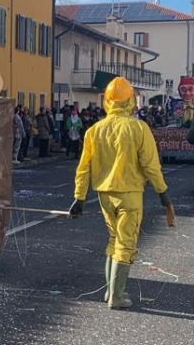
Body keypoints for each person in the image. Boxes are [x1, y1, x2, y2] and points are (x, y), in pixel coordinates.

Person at [69, 77, 171, 310]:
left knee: (114, 240)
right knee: (126, 244)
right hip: (130, 193)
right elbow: (150, 165)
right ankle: (117, 296)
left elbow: (83, 168)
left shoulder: (94, 130)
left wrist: (79, 198)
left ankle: (110, 290)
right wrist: (162, 192)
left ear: (107, 100)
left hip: (105, 195)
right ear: (130, 101)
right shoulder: (138, 128)